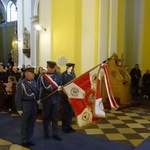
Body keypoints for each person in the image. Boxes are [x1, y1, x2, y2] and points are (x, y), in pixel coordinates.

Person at [37, 61, 62, 141]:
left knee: (55, 117)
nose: (51, 69)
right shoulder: (42, 76)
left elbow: (61, 84)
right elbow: (38, 86)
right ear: (47, 67)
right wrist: (39, 98)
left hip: (55, 99)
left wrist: (60, 88)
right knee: (46, 117)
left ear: (55, 67)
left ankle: (55, 133)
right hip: (46, 98)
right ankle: (46, 133)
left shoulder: (58, 76)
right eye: (50, 68)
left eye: (53, 68)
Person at [15, 67, 39, 147]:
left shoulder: (34, 82)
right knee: (24, 124)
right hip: (25, 106)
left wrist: (38, 99)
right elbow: (18, 97)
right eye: (31, 73)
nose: (33, 74)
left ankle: (29, 139)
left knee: (31, 124)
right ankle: (24, 140)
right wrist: (19, 108)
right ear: (26, 74)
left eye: (33, 72)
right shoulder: (21, 83)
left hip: (33, 105)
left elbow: (37, 93)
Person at [61, 63, 76, 133]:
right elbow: (62, 84)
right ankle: (64, 127)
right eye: (71, 68)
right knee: (65, 112)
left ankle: (69, 126)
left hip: (71, 96)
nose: (73, 69)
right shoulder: (63, 75)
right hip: (65, 96)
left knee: (70, 112)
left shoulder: (73, 74)